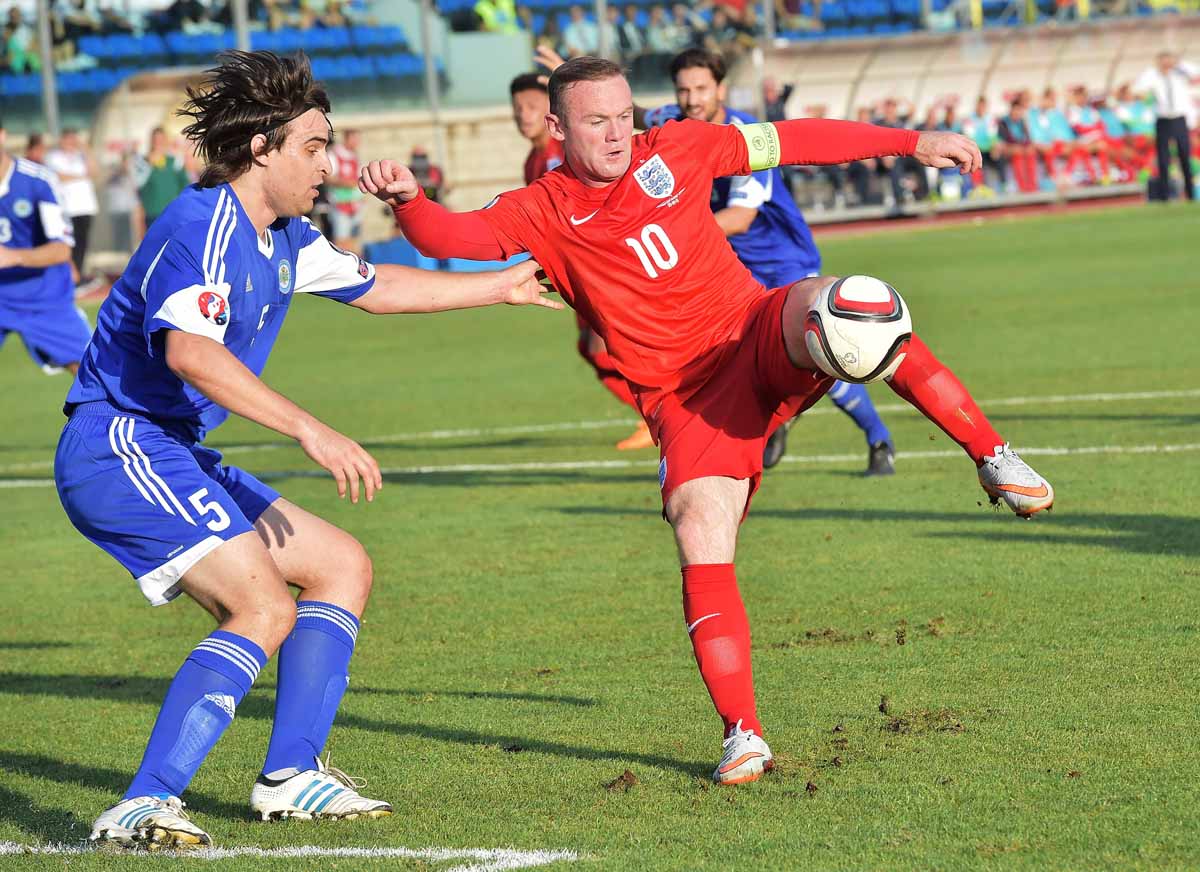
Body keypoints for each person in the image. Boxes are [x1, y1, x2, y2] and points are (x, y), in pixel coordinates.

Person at [364, 56, 1055, 786]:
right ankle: (743, 732)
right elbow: (449, 237)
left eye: (625, 115)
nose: (617, 133)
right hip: (687, 402)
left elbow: (794, 139)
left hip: (754, 329)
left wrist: (910, 143)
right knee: (700, 529)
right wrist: (410, 199)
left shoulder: (680, 146)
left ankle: (992, 455)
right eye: (596, 121)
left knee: (854, 303)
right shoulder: (541, 207)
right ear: (559, 128)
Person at [55, 51, 560, 850]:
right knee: (262, 606)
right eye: (315, 147)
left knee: (341, 565)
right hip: (119, 445)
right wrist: (309, 428)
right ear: (263, 149)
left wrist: (496, 285)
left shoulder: (284, 235)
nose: (331, 165)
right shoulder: (203, 227)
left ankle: (292, 775)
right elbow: (190, 353)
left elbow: (377, 288)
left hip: (172, 447)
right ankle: (143, 803)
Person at [639, 48, 895, 475]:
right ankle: (764, 426)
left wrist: (673, 233)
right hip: (735, 270)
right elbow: (637, 114)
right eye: (683, 90)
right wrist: (573, 81)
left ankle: (878, 439)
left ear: (720, 88)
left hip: (785, 261)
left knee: (822, 349)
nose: (691, 99)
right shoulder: (672, 120)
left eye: (701, 89)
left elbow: (741, 217)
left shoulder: (744, 137)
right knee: (730, 356)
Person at [511, 69, 651, 451]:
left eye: (531, 106)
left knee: (607, 347)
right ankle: (652, 414)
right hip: (575, 270)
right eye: (517, 108)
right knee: (590, 349)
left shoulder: (567, 155)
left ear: (552, 115)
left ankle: (660, 413)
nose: (524, 115)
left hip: (603, 266)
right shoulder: (533, 160)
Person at [0, 118, 91, 375]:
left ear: (2, 136)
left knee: (91, 373)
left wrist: (11, 257)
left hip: (42, 293)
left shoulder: (38, 181)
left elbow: (61, 250)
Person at [1135, 51, 1199, 202]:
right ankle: (1164, 196)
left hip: (1179, 119)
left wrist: (1178, 64)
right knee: (1163, 158)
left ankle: (1190, 194)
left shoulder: (1179, 74)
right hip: (1163, 120)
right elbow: (1139, 88)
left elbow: (1195, 71)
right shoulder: (1152, 75)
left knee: (1185, 156)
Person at [43, 128, 99, 283]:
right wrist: (81, 176)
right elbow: (58, 176)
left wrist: (86, 149)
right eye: (68, 139)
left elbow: (94, 171)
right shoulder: (54, 156)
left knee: (82, 243)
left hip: (86, 207)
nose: (72, 143)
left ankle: (78, 276)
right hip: (68, 208)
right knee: (68, 243)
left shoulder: (81, 156)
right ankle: (68, 277)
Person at [135, 126, 192, 232]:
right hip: (152, 212)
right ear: (151, 141)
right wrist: (149, 165)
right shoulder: (142, 161)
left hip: (172, 213)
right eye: (155, 140)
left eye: (161, 140)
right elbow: (138, 184)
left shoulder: (175, 160)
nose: (158, 143)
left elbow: (185, 184)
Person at [326, 128, 365, 254]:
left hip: (356, 204)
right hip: (340, 204)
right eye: (355, 139)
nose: (357, 142)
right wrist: (346, 183)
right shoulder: (335, 154)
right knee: (341, 241)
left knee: (354, 240)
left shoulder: (354, 155)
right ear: (347, 138)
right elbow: (328, 177)